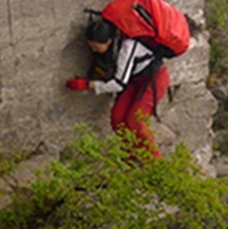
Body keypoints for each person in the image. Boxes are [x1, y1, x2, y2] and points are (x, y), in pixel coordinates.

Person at [65, 17, 167, 159]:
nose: (93, 50)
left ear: (108, 41)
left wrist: (89, 85)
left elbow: (119, 84)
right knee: (117, 119)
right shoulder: (112, 45)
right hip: (134, 80)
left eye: (96, 46)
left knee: (135, 122)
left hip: (153, 79)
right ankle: (131, 158)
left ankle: (157, 163)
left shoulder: (127, 47)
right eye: (91, 46)